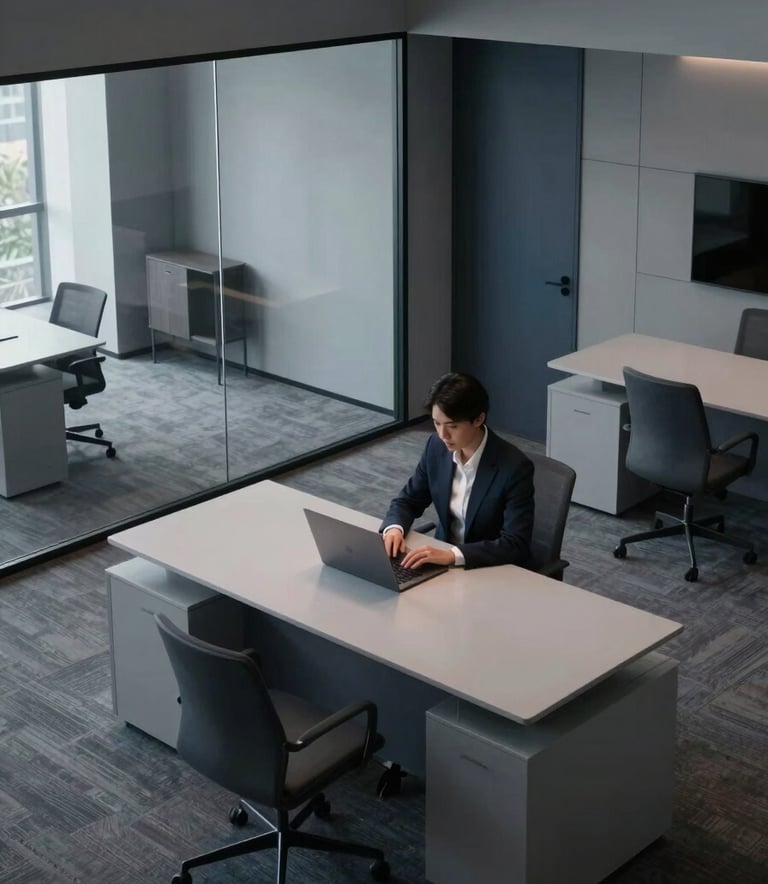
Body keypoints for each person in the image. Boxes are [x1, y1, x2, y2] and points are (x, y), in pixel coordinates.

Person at [380, 372, 534, 570]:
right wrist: (394, 528)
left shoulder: (514, 468)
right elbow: (408, 500)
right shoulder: (436, 448)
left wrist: (452, 556)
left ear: (478, 419)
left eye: (452, 426)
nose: (442, 435)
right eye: (436, 423)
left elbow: (515, 544)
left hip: (488, 568)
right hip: (441, 563)